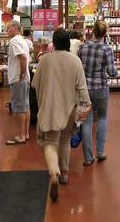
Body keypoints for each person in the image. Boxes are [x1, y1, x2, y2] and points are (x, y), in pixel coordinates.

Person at [32, 29, 91, 201]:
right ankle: (64, 173)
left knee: (50, 141)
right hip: (70, 108)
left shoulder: (45, 60)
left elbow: (35, 84)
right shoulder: (75, 61)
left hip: (50, 107)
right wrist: (86, 105)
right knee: (65, 140)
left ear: (54, 42)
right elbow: (81, 87)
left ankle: (53, 172)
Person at [77, 20, 117, 166]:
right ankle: (100, 151)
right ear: (105, 34)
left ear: (92, 31)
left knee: (85, 122)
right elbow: (112, 72)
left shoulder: (83, 47)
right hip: (100, 87)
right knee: (102, 117)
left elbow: (77, 67)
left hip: (83, 90)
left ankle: (88, 158)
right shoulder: (107, 49)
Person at [5, 20, 31, 145]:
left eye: (8, 28)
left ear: (15, 28)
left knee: (20, 108)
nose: (7, 31)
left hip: (18, 79)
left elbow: (23, 58)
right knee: (26, 106)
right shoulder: (23, 40)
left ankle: (20, 136)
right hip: (25, 79)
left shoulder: (14, 41)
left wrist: (21, 74)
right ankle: (25, 133)